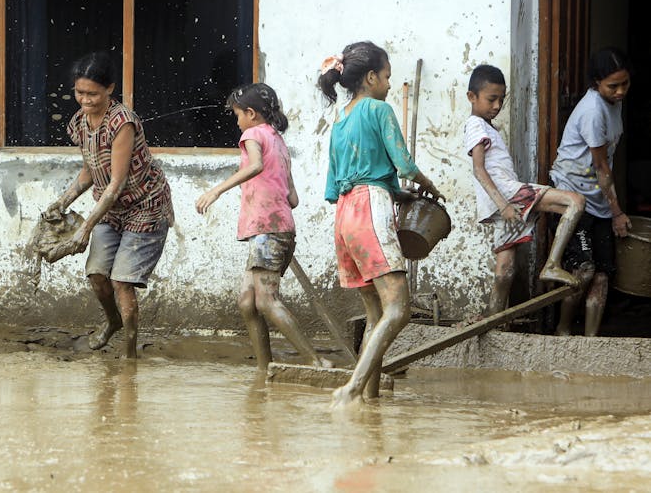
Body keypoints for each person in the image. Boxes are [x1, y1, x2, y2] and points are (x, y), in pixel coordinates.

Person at [317, 41, 444, 408]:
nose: (390, 84)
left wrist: (393, 193)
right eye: (387, 77)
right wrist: (427, 186)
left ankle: (368, 402)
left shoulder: (340, 120)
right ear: (371, 77)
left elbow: (336, 185)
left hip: (344, 216)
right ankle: (352, 390)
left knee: (376, 314)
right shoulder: (379, 109)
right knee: (399, 308)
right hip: (370, 210)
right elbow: (403, 166)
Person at [45, 51, 174, 358]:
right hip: (110, 209)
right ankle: (113, 321)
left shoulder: (123, 123)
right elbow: (91, 170)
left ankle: (129, 353)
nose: (85, 100)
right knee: (97, 275)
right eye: (79, 93)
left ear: (109, 89)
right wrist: (62, 202)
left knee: (121, 282)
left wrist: (84, 229)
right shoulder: (79, 123)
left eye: (92, 93)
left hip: (145, 206)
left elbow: (115, 184)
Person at [195, 83, 329, 370]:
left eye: (237, 115)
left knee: (266, 301)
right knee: (247, 302)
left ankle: (316, 361)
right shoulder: (278, 141)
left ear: (251, 114)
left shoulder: (252, 134)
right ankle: (264, 368)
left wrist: (217, 190)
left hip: (267, 230)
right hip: (279, 228)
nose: (237, 121)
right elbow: (293, 198)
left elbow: (254, 166)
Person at [464, 64, 584, 319]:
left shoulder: (486, 127)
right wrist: (504, 204)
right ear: (471, 97)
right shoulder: (476, 125)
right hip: (507, 195)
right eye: (491, 99)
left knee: (505, 266)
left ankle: (493, 321)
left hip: (502, 200)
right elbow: (479, 169)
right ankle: (552, 264)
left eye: (501, 100)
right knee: (575, 202)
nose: (497, 106)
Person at [549, 47, 632, 336]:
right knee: (582, 270)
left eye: (625, 84)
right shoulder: (593, 111)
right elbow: (601, 167)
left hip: (597, 198)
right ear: (596, 82)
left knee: (602, 275)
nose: (620, 91)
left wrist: (609, 208)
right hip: (572, 195)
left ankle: (590, 343)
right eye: (613, 86)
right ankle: (562, 331)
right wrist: (617, 213)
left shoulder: (614, 103)